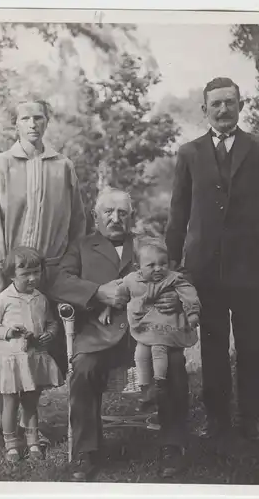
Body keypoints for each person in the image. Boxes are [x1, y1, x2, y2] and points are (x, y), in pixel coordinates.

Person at [165, 77, 259, 441]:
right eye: (215, 103)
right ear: (204, 110)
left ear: (241, 106)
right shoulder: (189, 153)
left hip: (250, 266)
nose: (223, 109)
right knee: (213, 344)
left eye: (229, 102)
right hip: (204, 267)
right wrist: (174, 263)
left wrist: (254, 228)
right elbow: (178, 212)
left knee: (251, 344)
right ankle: (217, 418)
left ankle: (250, 418)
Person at [47, 188, 190, 481]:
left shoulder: (146, 243)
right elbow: (58, 282)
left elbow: (179, 272)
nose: (115, 218)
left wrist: (176, 298)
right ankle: (87, 452)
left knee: (174, 364)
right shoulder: (82, 247)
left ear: (132, 217)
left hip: (149, 332)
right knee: (84, 369)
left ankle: (172, 445)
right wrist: (97, 292)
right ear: (95, 217)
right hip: (101, 333)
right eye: (108, 212)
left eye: (122, 213)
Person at [0, 99, 86, 440]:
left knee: (36, 346)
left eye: (39, 117)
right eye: (26, 118)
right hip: (7, 272)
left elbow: (77, 220)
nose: (33, 124)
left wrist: (70, 263)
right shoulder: (2, 164)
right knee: (2, 349)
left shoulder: (62, 165)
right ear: (16, 124)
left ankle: (28, 419)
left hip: (48, 271)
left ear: (48, 121)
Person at [0, 247, 63, 462]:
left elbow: (52, 322)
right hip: (11, 360)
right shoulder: (4, 298)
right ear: (11, 274)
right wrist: (8, 332)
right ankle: (11, 443)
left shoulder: (41, 299)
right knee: (11, 402)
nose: (32, 278)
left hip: (33, 358)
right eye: (26, 274)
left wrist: (49, 334)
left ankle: (33, 440)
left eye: (36, 272)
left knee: (30, 402)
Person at [99, 238, 200, 409]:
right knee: (140, 353)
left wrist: (192, 313)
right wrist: (109, 307)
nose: (158, 269)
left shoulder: (172, 278)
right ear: (138, 268)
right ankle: (145, 388)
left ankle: (159, 384)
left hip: (165, 323)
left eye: (163, 263)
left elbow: (189, 293)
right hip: (145, 324)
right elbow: (120, 294)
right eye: (151, 265)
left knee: (158, 349)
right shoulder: (132, 280)